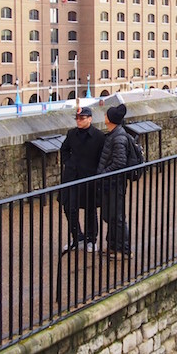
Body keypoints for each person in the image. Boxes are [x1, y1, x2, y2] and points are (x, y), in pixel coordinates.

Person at [59, 106, 105, 252]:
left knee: (90, 209)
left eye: (82, 118)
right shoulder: (72, 134)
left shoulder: (98, 136)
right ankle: (77, 237)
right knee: (69, 207)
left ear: (89, 119)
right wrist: (69, 162)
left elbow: (102, 157)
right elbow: (64, 149)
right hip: (72, 176)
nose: (78, 121)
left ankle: (91, 239)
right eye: (77, 118)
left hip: (90, 177)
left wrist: (97, 171)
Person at [97, 104, 133, 258]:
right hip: (109, 183)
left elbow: (119, 163)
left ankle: (124, 250)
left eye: (106, 114)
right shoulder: (114, 134)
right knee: (110, 215)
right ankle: (112, 245)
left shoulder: (118, 137)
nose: (104, 116)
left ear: (110, 119)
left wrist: (103, 174)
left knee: (117, 217)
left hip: (115, 183)